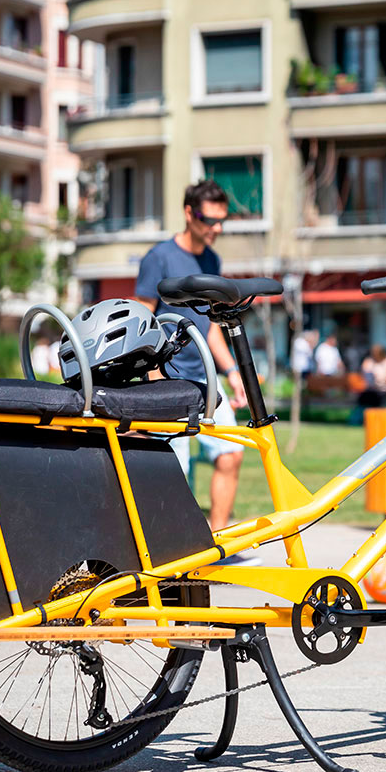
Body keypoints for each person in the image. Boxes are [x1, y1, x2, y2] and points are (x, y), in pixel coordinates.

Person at [135, 180, 247, 533]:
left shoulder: (211, 259)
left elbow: (211, 326)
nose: (215, 229)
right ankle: (171, 553)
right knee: (175, 471)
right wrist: (153, 376)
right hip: (168, 380)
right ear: (188, 213)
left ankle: (215, 546)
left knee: (231, 454)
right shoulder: (159, 258)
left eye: (221, 222)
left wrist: (231, 370)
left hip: (206, 379)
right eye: (208, 220)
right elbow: (142, 321)